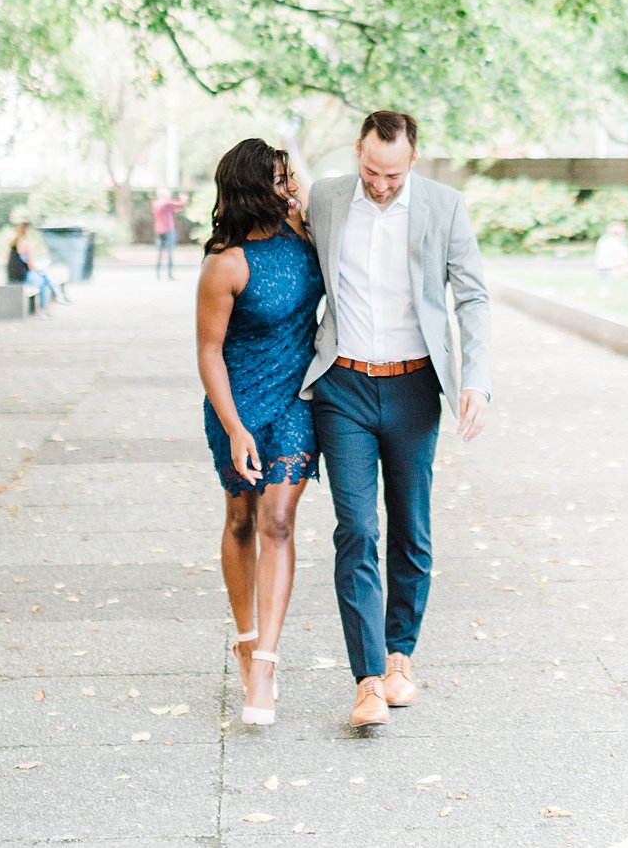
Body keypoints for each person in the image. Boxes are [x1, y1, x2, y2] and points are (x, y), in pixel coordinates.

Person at [300, 109, 491, 731]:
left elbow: (472, 295)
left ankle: (400, 655)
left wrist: (476, 380)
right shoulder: (326, 198)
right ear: (357, 152)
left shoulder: (445, 206)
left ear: (413, 159)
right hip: (343, 385)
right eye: (370, 171)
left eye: (393, 174)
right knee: (356, 528)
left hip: (414, 388)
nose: (380, 185)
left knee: (411, 527)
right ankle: (367, 679)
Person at [196, 140, 324, 729]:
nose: (290, 186)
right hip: (238, 406)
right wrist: (233, 427)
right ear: (252, 189)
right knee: (241, 519)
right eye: (278, 179)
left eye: (289, 176)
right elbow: (209, 351)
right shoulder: (225, 263)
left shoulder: (302, 230)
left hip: (296, 401)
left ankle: (266, 666)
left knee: (277, 520)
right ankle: (245, 639)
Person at [7, 218, 63, 314]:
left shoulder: (13, 242)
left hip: (12, 274)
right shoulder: (27, 243)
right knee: (42, 282)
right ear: (27, 230)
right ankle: (45, 309)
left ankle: (57, 296)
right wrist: (38, 270)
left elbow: (6, 259)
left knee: (44, 277)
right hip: (22, 275)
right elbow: (31, 265)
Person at [152, 188, 189, 279]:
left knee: (161, 253)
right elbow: (181, 203)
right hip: (168, 231)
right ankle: (168, 274)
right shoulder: (165, 203)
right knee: (169, 253)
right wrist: (183, 197)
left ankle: (159, 274)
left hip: (160, 231)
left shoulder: (156, 203)